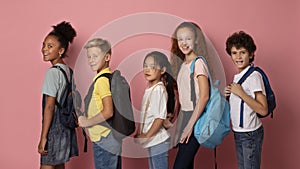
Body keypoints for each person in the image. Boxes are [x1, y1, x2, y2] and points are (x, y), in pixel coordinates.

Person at [224, 31, 268, 169]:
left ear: (250, 54)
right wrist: (229, 95)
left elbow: (263, 109)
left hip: (250, 134)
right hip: (239, 132)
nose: (238, 56)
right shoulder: (238, 76)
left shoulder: (254, 76)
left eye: (242, 52)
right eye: (234, 53)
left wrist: (241, 93)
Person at [170, 22, 211, 169]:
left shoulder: (198, 63)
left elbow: (204, 96)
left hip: (196, 117)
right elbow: (183, 100)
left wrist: (189, 126)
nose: (184, 43)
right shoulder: (182, 65)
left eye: (188, 38)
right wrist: (178, 126)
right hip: (186, 116)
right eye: (180, 39)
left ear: (196, 40)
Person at [38, 21, 78, 169]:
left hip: (54, 128)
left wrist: (44, 138)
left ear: (61, 51)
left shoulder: (53, 73)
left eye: (50, 46)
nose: (44, 49)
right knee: (59, 166)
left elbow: (49, 106)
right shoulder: (68, 71)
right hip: (66, 129)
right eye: (44, 45)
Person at [78, 38, 121, 169]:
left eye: (95, 56)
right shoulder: (107, 77)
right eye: (89, 56)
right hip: (110, 137)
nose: (91, 60)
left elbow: (108, 111)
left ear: (107, 57)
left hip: (104, 137)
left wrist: (87, 122)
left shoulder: (102, 80)